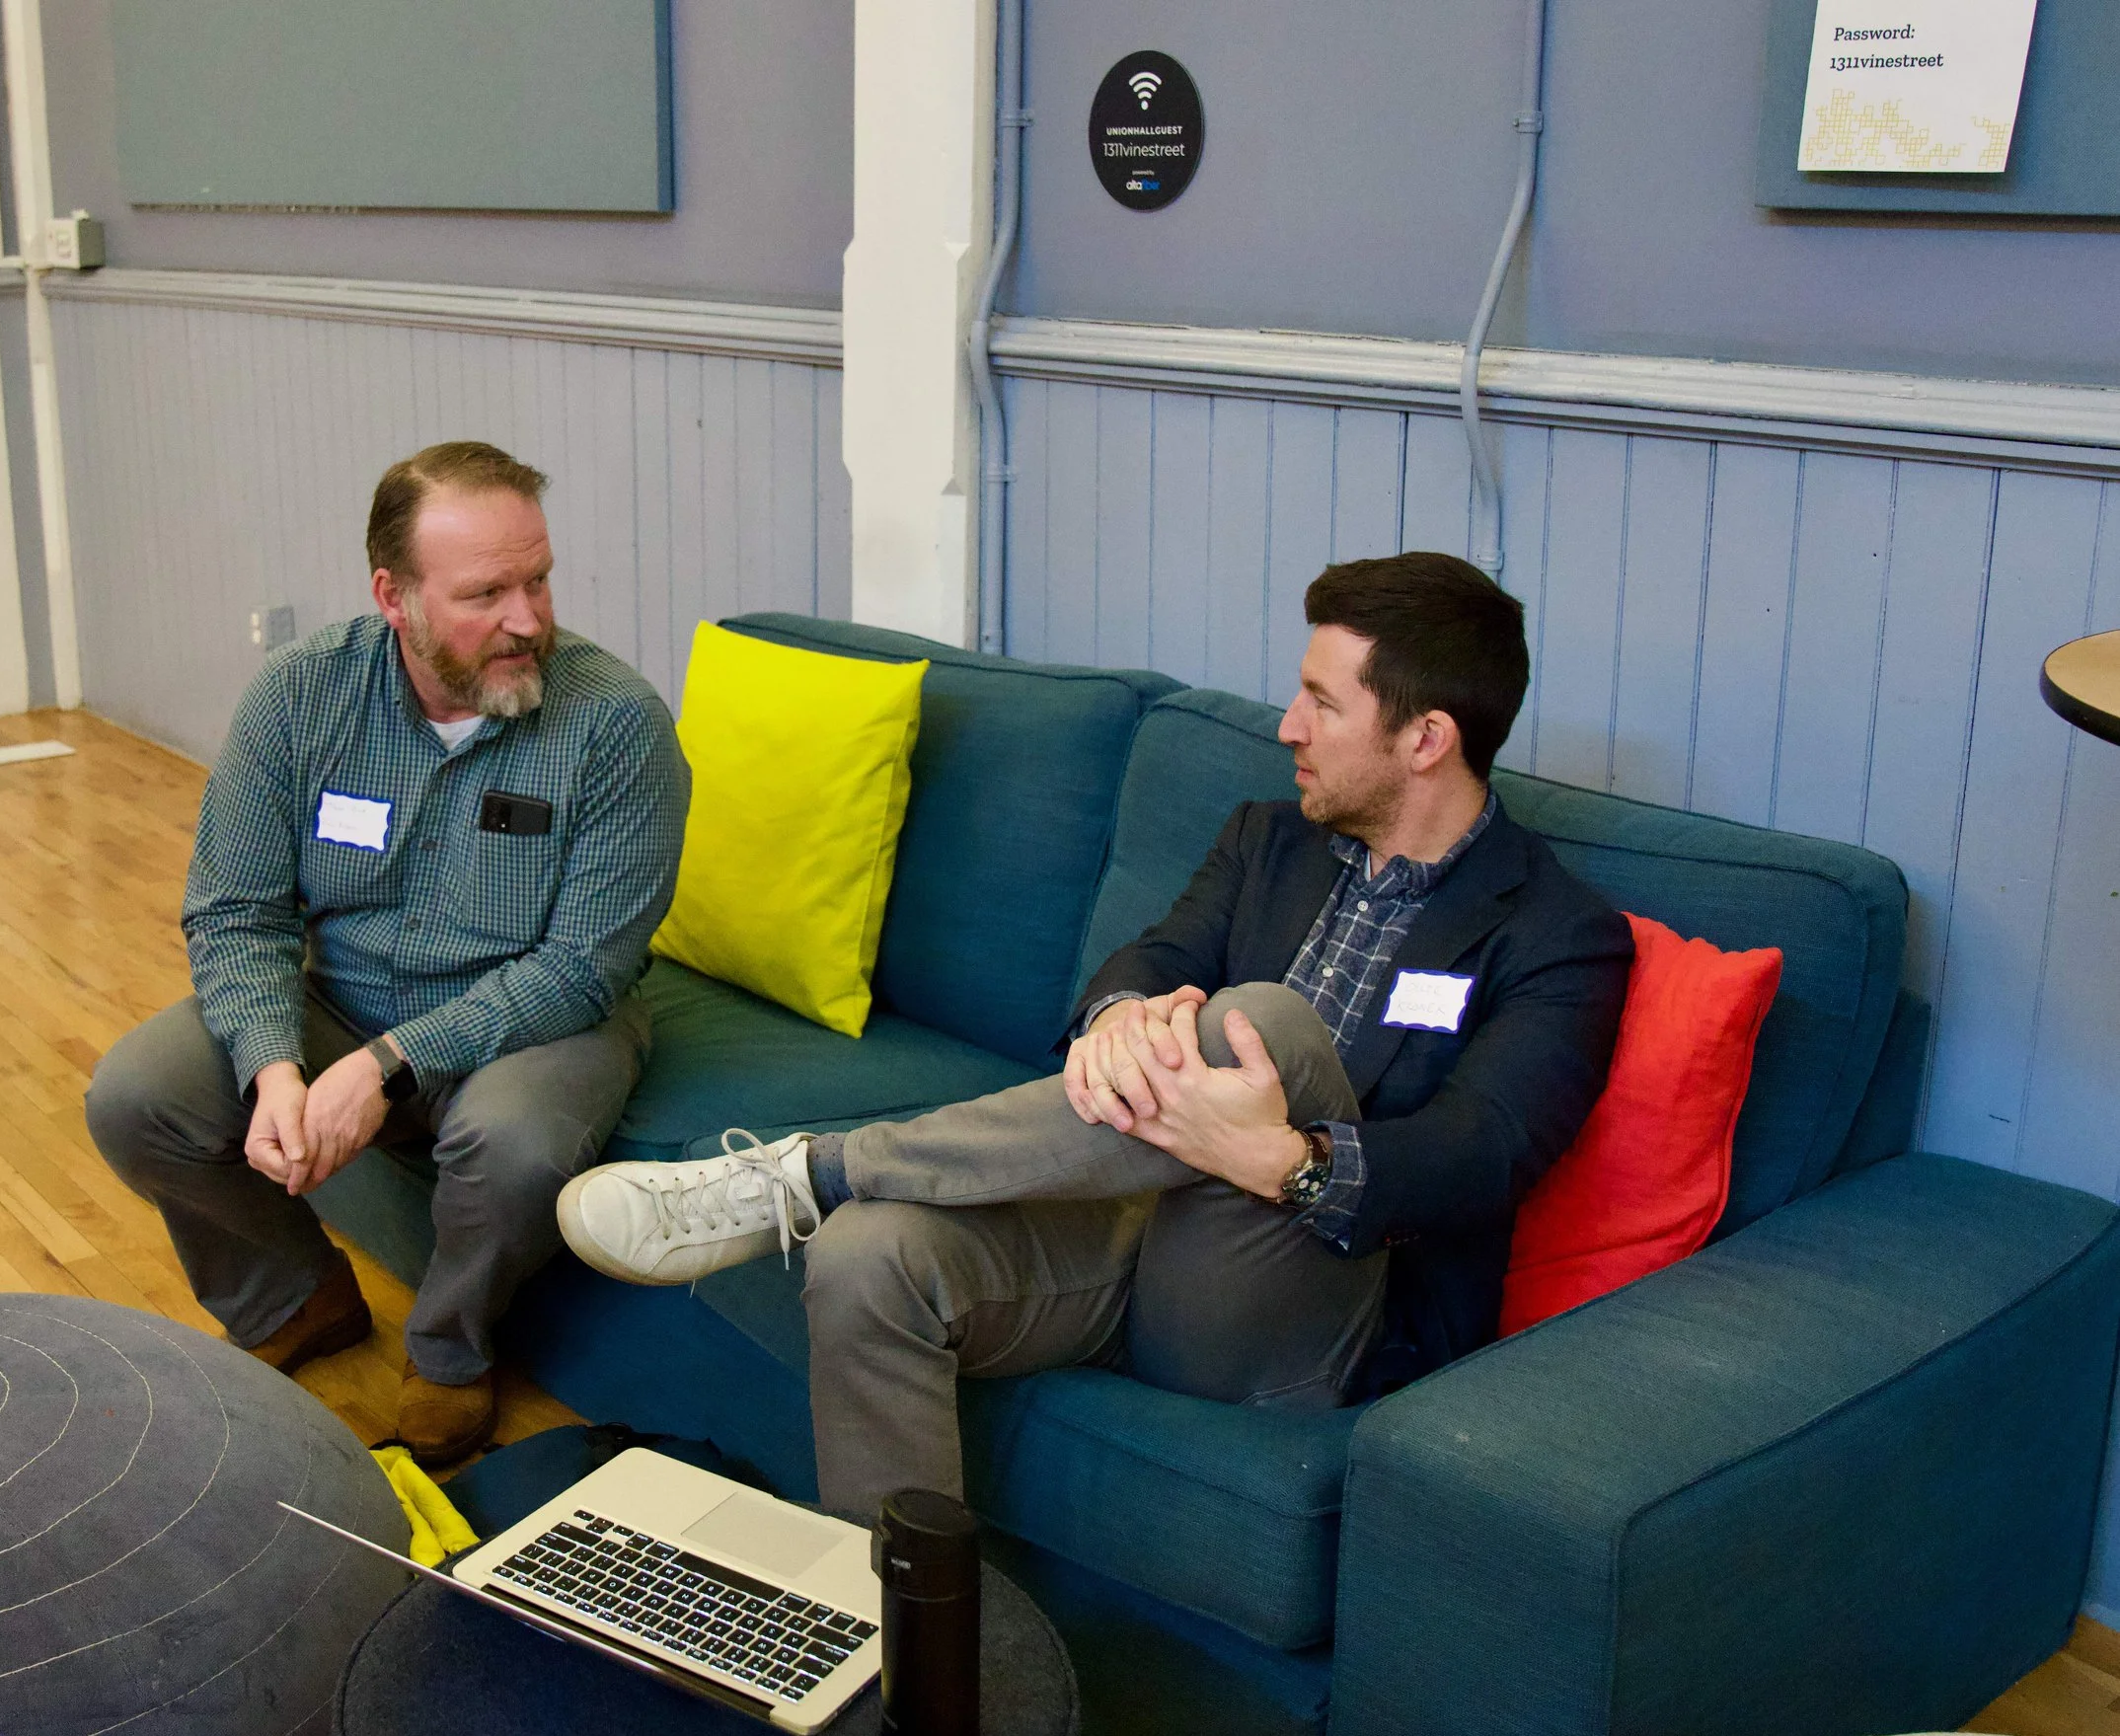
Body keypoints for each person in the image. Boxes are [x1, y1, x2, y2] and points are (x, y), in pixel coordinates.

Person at [556, 552, 1632, 1522]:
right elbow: (1151, 958)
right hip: (1131, 1229)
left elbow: (1484, 1148)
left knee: (1257, 1019)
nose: (1286, 727)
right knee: (866, 1257)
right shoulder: (1270, 838)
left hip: (1308, 1298)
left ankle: (816, 1170)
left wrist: (1286, 1161)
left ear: (1426, 737)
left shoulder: (1555, 932)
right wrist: (1122, 1020)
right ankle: (907, 1645)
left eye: (1319, 702)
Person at [87, 441, 688, 1464]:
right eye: (485, 592)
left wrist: (387, 1064)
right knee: (135, 1093)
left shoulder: (615, 725)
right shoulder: (299, 696)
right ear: (393, 595)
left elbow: (582, 966)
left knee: (516, 1143)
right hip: (343, 999)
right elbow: (237, 910)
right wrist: (274, 1064)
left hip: (538, 1019)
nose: (528, 619)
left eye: (537, 579)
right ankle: (294, 1294)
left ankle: (451, 1350)